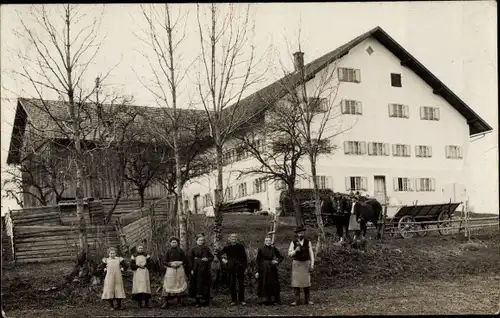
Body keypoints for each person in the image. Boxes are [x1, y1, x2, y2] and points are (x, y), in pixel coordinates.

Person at [217, 233, 248, 306]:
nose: (233, 240)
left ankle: (242, 300)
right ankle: (233, 300)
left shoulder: (241, 247)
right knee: (232, 283)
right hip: (231, 267)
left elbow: (244, 258)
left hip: (240, 267)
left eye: (235, 238)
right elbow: (218, 254)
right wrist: (223, 260)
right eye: (232, 238)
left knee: (241, 284)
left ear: (237, 239)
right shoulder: (227, 247)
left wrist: (245, 267)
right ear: (230, 239)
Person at [288, 226, 315, 306]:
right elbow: (289, 254)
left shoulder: (308, 242)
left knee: (306, 282)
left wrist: (312, 264)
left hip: (306, 263)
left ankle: (307, 300)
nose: (301, 234)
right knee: (296, 283)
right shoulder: (293, 242)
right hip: (297, 264)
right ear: (297, 234)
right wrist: (295, 251)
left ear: (304, 233)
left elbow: (311, 254)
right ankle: (297, 300)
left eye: (302, 232)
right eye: (299, 233)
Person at [255, 235, 284, 305]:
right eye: (266, 241)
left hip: (272, 269)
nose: (268, 242)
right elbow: (257, 261)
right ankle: (263, 301)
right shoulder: (261, 249)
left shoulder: (273, 249)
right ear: (264, 242)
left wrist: (277, 261)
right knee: (263, 284)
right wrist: (257, 271)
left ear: (271, 241)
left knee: (272, 283)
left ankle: (272, 300)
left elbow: (281, 257)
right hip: (263, 269)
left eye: (269, 241)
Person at [161, 236, 189, 309]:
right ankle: (166, 301)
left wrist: (180, 263)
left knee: (179, 283)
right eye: (172, 242)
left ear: (177, 243)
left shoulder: (181, 251)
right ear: (170, 243)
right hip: (171, 269)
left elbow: (185, 260)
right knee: (169, 284)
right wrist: (170, 264)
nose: (174, 243)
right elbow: (164, 261)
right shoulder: (168, 251)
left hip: (180, 269)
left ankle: (179, 301)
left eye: (175, 242)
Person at [188, 234, 214, 307]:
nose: (201, 241)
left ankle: (207, 300)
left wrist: (207, 259)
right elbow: (190, 260)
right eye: (199, 240)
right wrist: (191, 269)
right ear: (196, 241)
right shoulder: (193, 249)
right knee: (197, 284)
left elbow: (211, 257)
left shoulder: (206, 248)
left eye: (202, 240)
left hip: (205, 269)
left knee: (206, 284)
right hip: (196, 269)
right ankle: (197, 301)